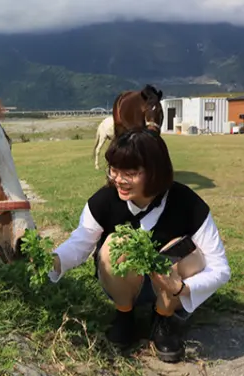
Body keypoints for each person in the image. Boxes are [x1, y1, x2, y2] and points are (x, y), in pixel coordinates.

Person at [48, 128, 231, 363]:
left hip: (171, 286)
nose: (119, 180)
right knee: (117, 242)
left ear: (156, 172)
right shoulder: (104, 200)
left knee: (189, 251)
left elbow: (220, 268)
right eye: (114, 170)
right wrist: (52, 261)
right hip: (121, 283)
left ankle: (163, 319)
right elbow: (80, 242)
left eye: (130, 173)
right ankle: (124, 316)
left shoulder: (188, 203)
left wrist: (180, 288)